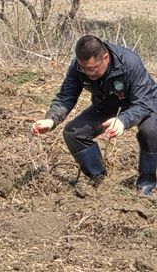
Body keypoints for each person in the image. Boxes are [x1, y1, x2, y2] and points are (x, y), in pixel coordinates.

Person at [32, 35, 157, 197]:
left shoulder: (129, 62)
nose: (88, 73)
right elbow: (66, 96)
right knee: (73, 133)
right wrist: (50, 120)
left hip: (146, 102)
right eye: (84, 68)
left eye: (92, 68)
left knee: (150, 132)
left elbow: (142, 102)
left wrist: (123, 120)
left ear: (105, 58)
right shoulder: (78, 67)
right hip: (107, 103)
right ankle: (99, 180)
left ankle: (146, 186)